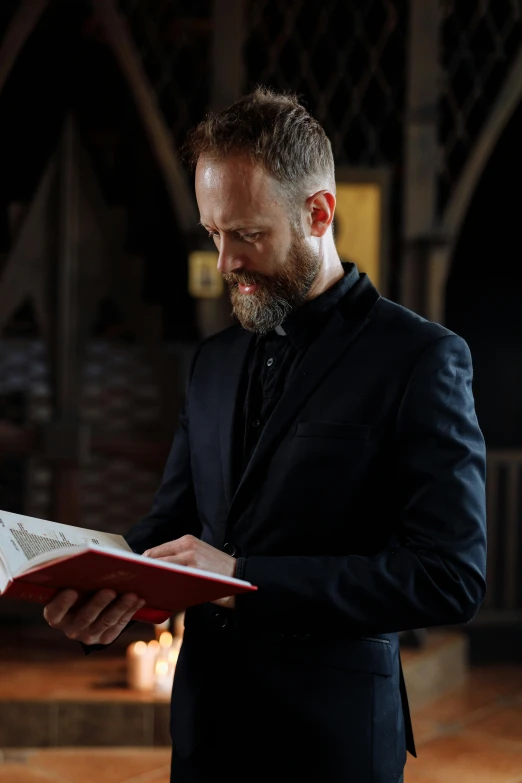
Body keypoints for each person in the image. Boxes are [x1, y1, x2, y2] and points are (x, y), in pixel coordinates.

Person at [43, 88, 487, 783]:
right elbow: (173, 525)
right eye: (212, 234)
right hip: (204, 734)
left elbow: (449, 576)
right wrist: (102, 590)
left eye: (246, 234)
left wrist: (243, 577)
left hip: (332, 744)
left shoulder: (421, 358)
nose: (225, 262)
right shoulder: (212, 361)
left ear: (318, 212)